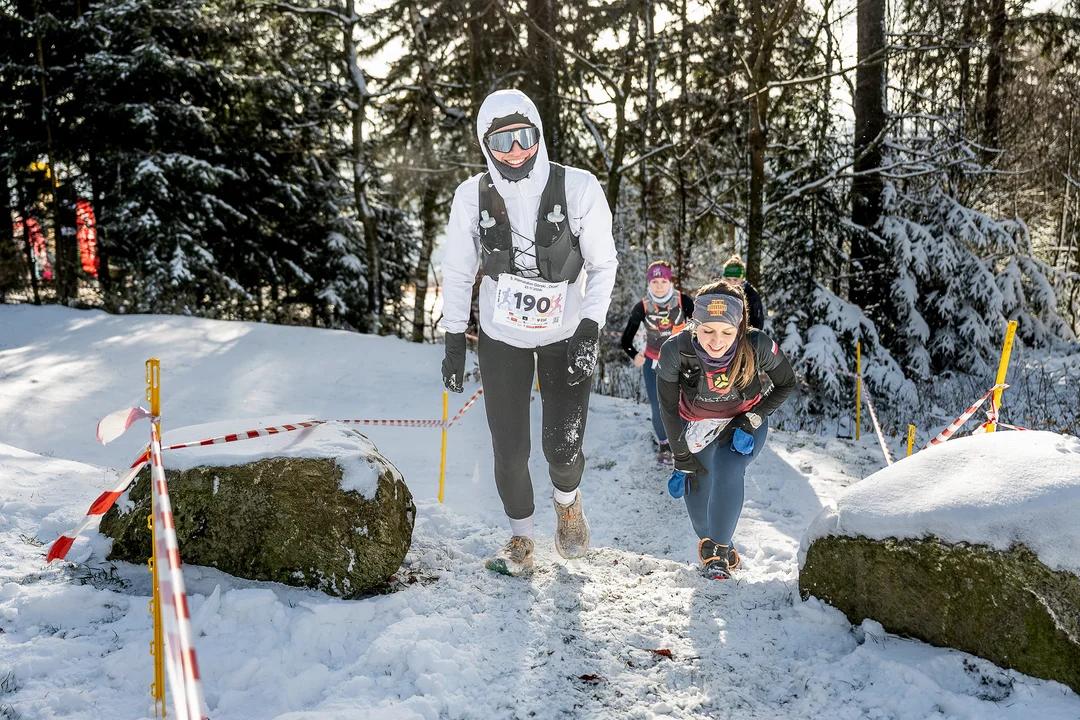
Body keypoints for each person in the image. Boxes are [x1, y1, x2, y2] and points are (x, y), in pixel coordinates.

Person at [439, 89, 618, 577]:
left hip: (565, 334)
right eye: (502, 140)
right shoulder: (470, 196)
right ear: (485, 144)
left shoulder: (578, 188)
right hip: (502, 336)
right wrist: (455, 338)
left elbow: (604, 264)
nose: (516, 149)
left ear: (538, 134)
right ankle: (521, 541)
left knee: (561, 449)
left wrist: (589, 326)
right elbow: (456, 271)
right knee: (509, 451)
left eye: (525, 136)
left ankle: (568, 504)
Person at [656, 279, 795, 579]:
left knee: (728, 466)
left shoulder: (757, 345)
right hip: (694, 427)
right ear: (695, 324)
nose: (716, 341)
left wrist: (753, 418)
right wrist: (680, 455)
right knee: (701, 518)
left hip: (743, 424)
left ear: (740, 328)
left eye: (727, 333)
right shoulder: (675, 350)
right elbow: (667, 407)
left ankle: (716, 558)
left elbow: (787, 382)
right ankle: (723, 544)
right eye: (707, 331)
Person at [619, 261, 693, 463]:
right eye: (655, 281)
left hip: (682, 363)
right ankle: (664, 445)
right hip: (653, 365)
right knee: (659, 406)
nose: (659, 286)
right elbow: (626, 339)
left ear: (670, 282)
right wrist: (635, 354)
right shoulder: (642, 306)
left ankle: (683, 443)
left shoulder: (683, 301)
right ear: (649, 283)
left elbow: (700, 329)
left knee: (684, 404)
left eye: (663, 281)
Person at [721, 255, 766, 330]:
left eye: (735, 280)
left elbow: (757, 324)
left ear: (742, 279)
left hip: (745, 338)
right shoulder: (719, 294)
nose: (732, 283)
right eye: (728, 279)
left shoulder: (751, 295)